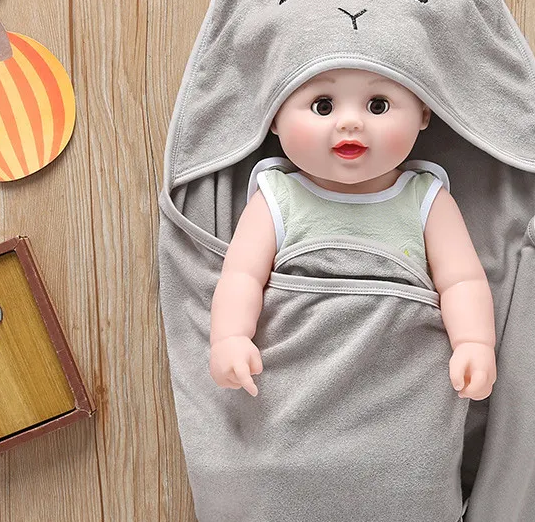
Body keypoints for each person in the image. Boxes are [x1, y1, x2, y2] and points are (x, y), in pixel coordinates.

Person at [209, 67, 497, 400]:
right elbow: (241, 277)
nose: (350, 123)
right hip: (298, 382)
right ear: (274, 117)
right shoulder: (276, 197)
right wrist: (230, 337)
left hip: (400, 383)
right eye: (323, 106)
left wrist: (473, 342)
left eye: (378, 105)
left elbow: (462, 281)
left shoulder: (426, 199)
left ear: (423, 113)